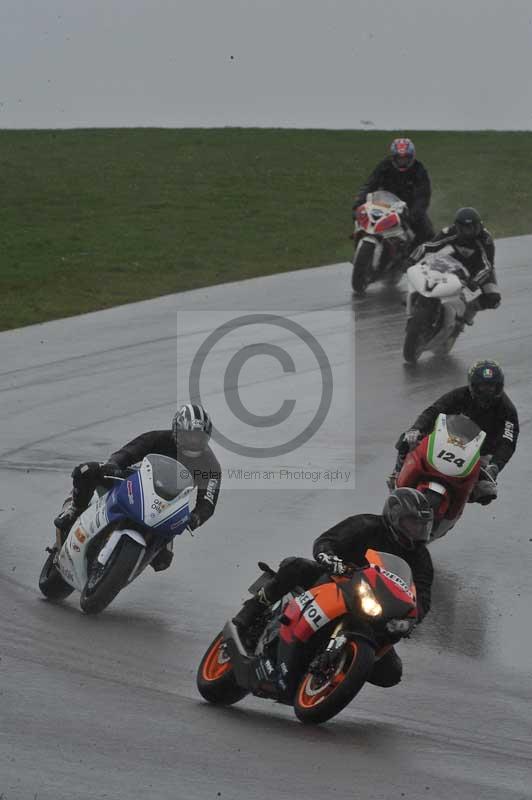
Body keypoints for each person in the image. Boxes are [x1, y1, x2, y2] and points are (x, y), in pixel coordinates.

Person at [233, 487, 434, 688]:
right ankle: (248, 615)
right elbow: (325, 542)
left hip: (375, 609)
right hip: (335, 580)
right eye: (412, 523)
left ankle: (339, 668)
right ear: (395, 515)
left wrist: (410, 620)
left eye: (422, 526)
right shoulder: (366, 525)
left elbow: (423, 597)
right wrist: (333, 560)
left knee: (391, 674)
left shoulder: (421, 558)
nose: (417, 531)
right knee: (295, 567)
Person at [53, 403, 221, 571]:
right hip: (135, 482)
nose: (193, 442)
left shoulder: (210, 466)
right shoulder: (158, 438)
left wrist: (196, 517)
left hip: (168, 507)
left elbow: (208, 502)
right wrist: (114, 464)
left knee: (163, 560)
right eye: (188, 436)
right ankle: (75, 509)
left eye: (198, 438)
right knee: (85, 471)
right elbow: (129, 452)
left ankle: (125, 566)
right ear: (176, 430)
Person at [389, 360, 519, 499]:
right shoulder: (460, 395)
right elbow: (434, 411)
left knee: (487, 492)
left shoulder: (507, 410)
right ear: (473, 386)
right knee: (407, 439)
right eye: (482, 387)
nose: (487, 391)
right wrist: (416, 429)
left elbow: (508, 442)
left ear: (499, 388)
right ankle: (396, 476)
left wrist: (495, 467)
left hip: (479, 454)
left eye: (492, 387)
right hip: (447, 442)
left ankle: (459, 502)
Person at [408, 207, 500, 326]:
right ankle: (417, 297)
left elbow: (488, 266)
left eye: (473, 227)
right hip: (453, 262)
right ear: (458, 227)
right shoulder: (450, 232)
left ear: (479, 225)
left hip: (480, 269)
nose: (470, 231)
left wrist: (475, 282)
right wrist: (411, 259)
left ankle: (467, 312)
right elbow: (428, 246)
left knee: (494, 299)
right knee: (427, 267)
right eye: (466, 228)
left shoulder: (485, 239)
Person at [353, 137, 434, 247]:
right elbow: (369, 185)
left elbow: (423, 196)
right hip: (384, 205)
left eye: (405, 158)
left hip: (409, 209)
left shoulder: (419, 170)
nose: (402, 161)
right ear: (393, 157)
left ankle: (413, 258)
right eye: (399, 159)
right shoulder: (384, 166)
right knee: (361, 223)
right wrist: (358, 203)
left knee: (428, 233)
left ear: (412, 157)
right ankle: (359, 248)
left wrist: (413, 215)